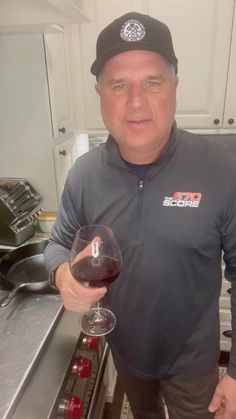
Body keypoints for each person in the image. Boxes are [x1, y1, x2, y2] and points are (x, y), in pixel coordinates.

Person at [44, 12, 236, 419]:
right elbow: (58, 244)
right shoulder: (84, 174)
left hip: (193, 362)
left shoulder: (222, 171)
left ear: (176, 87)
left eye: (152, 82)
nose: (136, 102)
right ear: (99, 93)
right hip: (126, 353)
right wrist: (63, 276)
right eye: (119, 85)